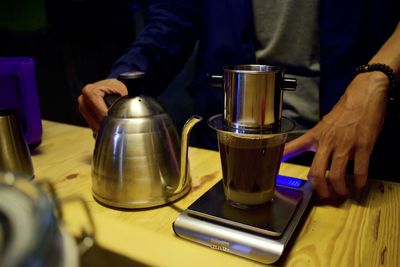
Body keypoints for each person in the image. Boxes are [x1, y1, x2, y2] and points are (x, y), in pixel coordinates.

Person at [78, 0, 400, 199]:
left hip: (351, 161)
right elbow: (171, 19)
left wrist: (378, 75)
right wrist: (126, 75)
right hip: (221, 162)